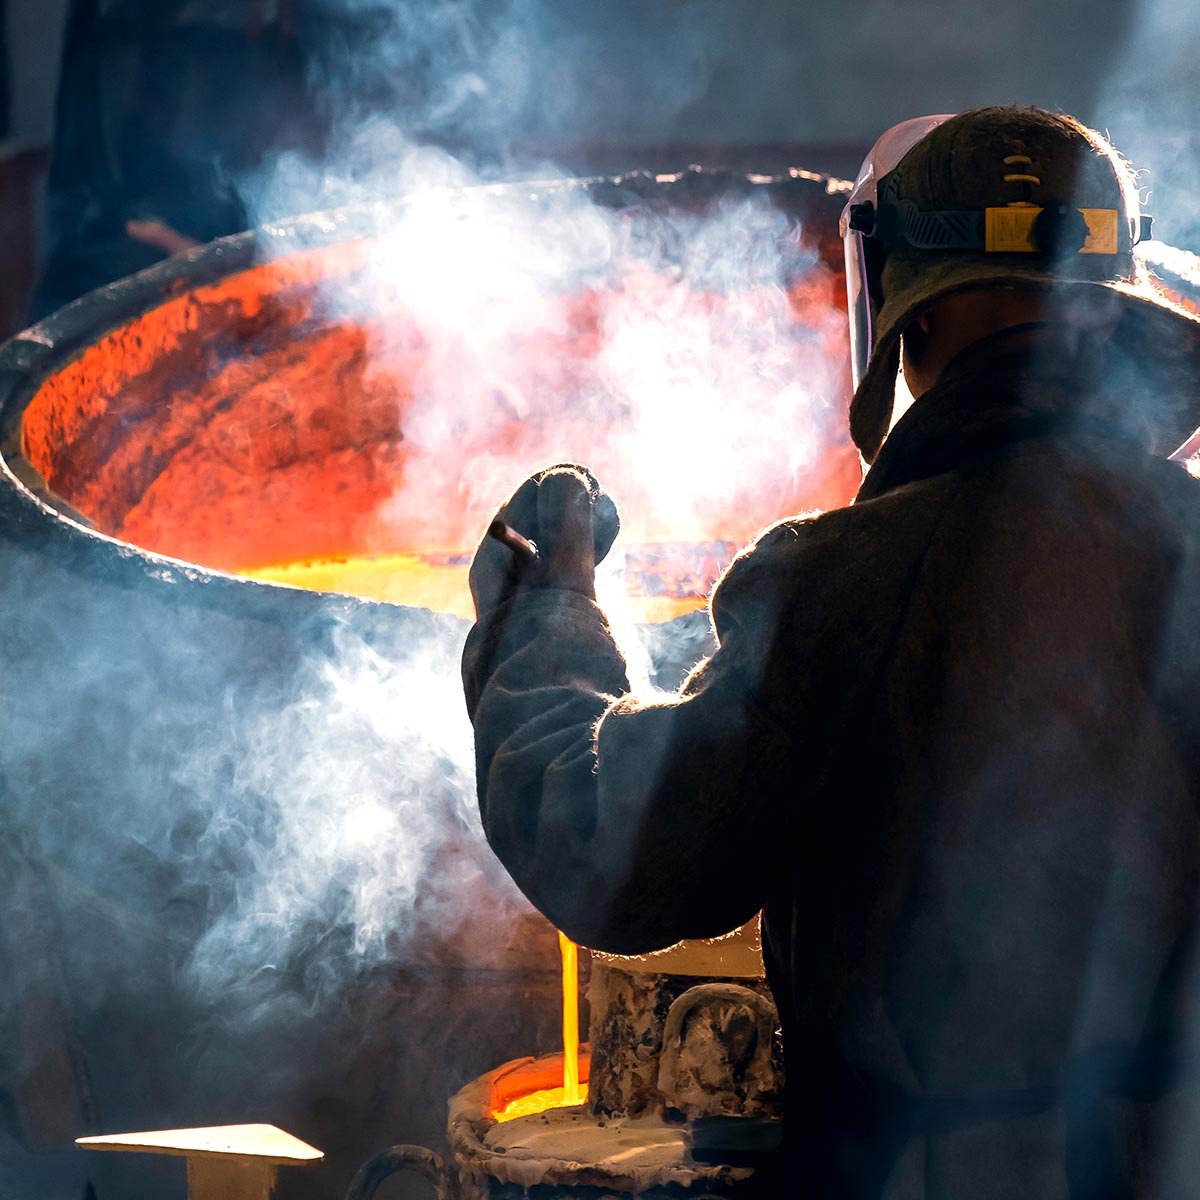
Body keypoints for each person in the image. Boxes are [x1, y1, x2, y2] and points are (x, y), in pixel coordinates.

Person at [462, 106, 1200, 1198]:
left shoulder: (848, 578)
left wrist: (545, 608)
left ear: (917, 318)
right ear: (1116, 316)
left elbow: (610, 846)